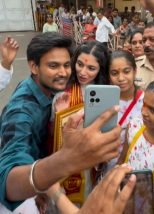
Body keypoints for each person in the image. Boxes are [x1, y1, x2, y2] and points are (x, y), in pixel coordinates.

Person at [0, 32, 121, 211]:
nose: (64, 73)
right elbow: (8, 178)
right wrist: (64, 162)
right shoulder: (21, 110)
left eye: (66, 65)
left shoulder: (47, 90)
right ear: (34, 67)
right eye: (53, 66)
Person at [105, 50, 144, 173]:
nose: (121, 78)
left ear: (135, 71)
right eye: (114, 73)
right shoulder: (105, 101)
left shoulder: (146, 101)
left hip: (136, 166)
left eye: (126, 71)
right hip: (107, 165)